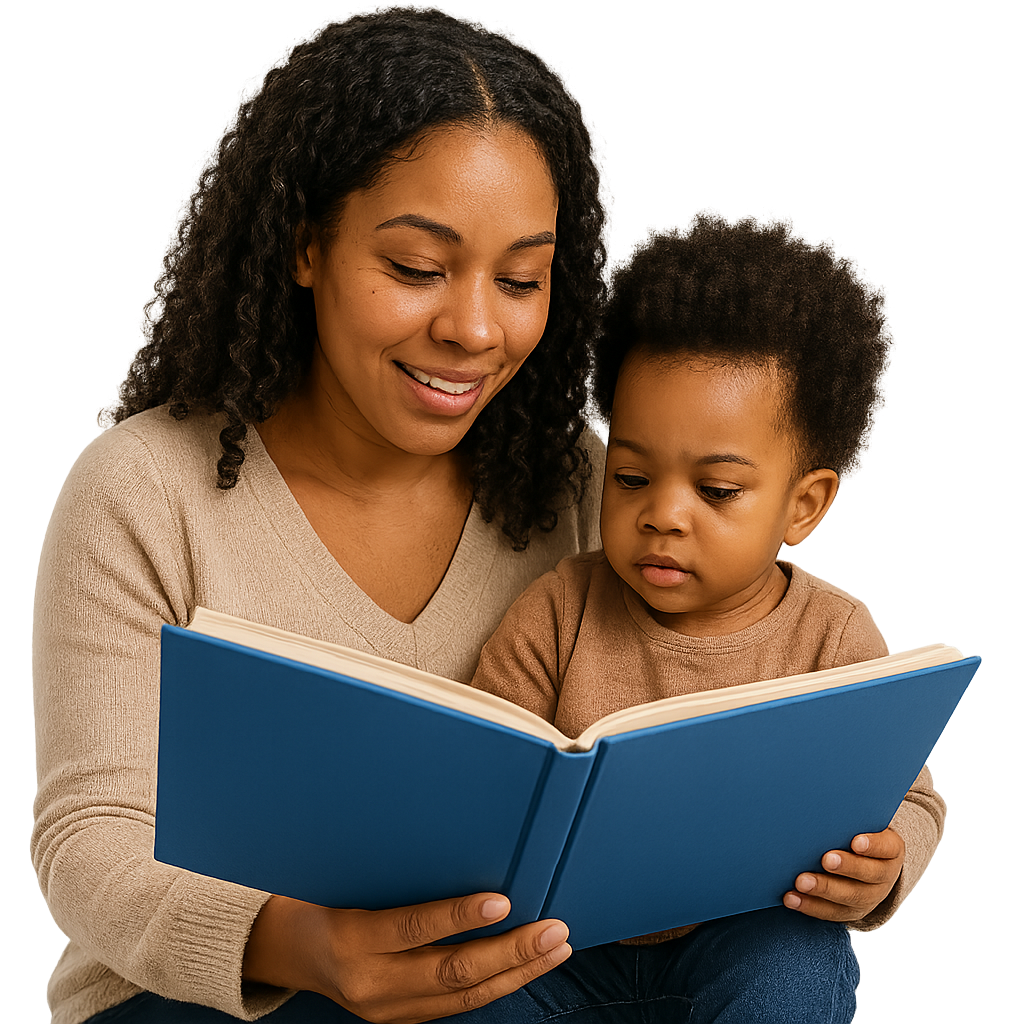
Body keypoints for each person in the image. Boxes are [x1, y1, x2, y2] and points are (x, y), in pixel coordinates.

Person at [32, 10, 608, 1023]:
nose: (476, 329)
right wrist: (311, 949)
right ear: (305, 246)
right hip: (199, 1003)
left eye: (522, 279)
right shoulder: (145, 489)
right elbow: (91, 840)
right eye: (416, 268)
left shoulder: (555, 494)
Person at [470, 218, 945, 1022]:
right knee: (464, 983)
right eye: (630, 477)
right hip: (559, 945)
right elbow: (483, 765)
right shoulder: (557, 609)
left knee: (799, 965)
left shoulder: (831, 640)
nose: (663, 515)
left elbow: (913, 800)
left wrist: (884, 868)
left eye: (716, 491)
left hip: (740, 935)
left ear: (803, 505)